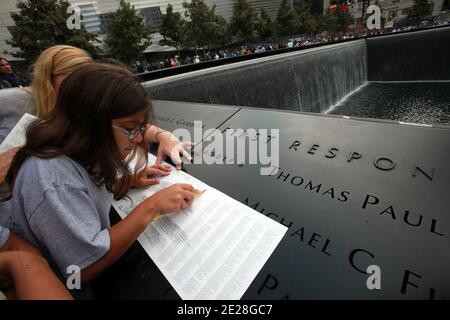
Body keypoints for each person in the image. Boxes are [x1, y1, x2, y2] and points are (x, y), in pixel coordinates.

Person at [7, 63, 198, 298]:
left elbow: (84, 190)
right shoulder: (53, 177)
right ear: (90, 123)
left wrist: (127, 181)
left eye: (140, 128)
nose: (138, 138)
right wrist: (152, 206)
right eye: (130, 129)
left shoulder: (77, 152)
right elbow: (84, 267)